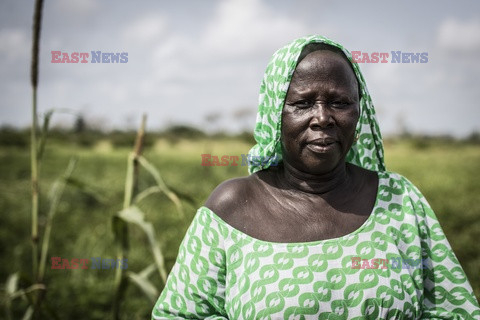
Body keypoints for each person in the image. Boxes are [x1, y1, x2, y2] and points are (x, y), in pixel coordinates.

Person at [152, 35, 480, 319]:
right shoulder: (232, 207)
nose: (322, 118)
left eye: (339, 102)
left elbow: (455, 311)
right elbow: (179, 314)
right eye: (303, 103)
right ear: (274, 113)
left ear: (358, 111)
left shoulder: (400, 200)